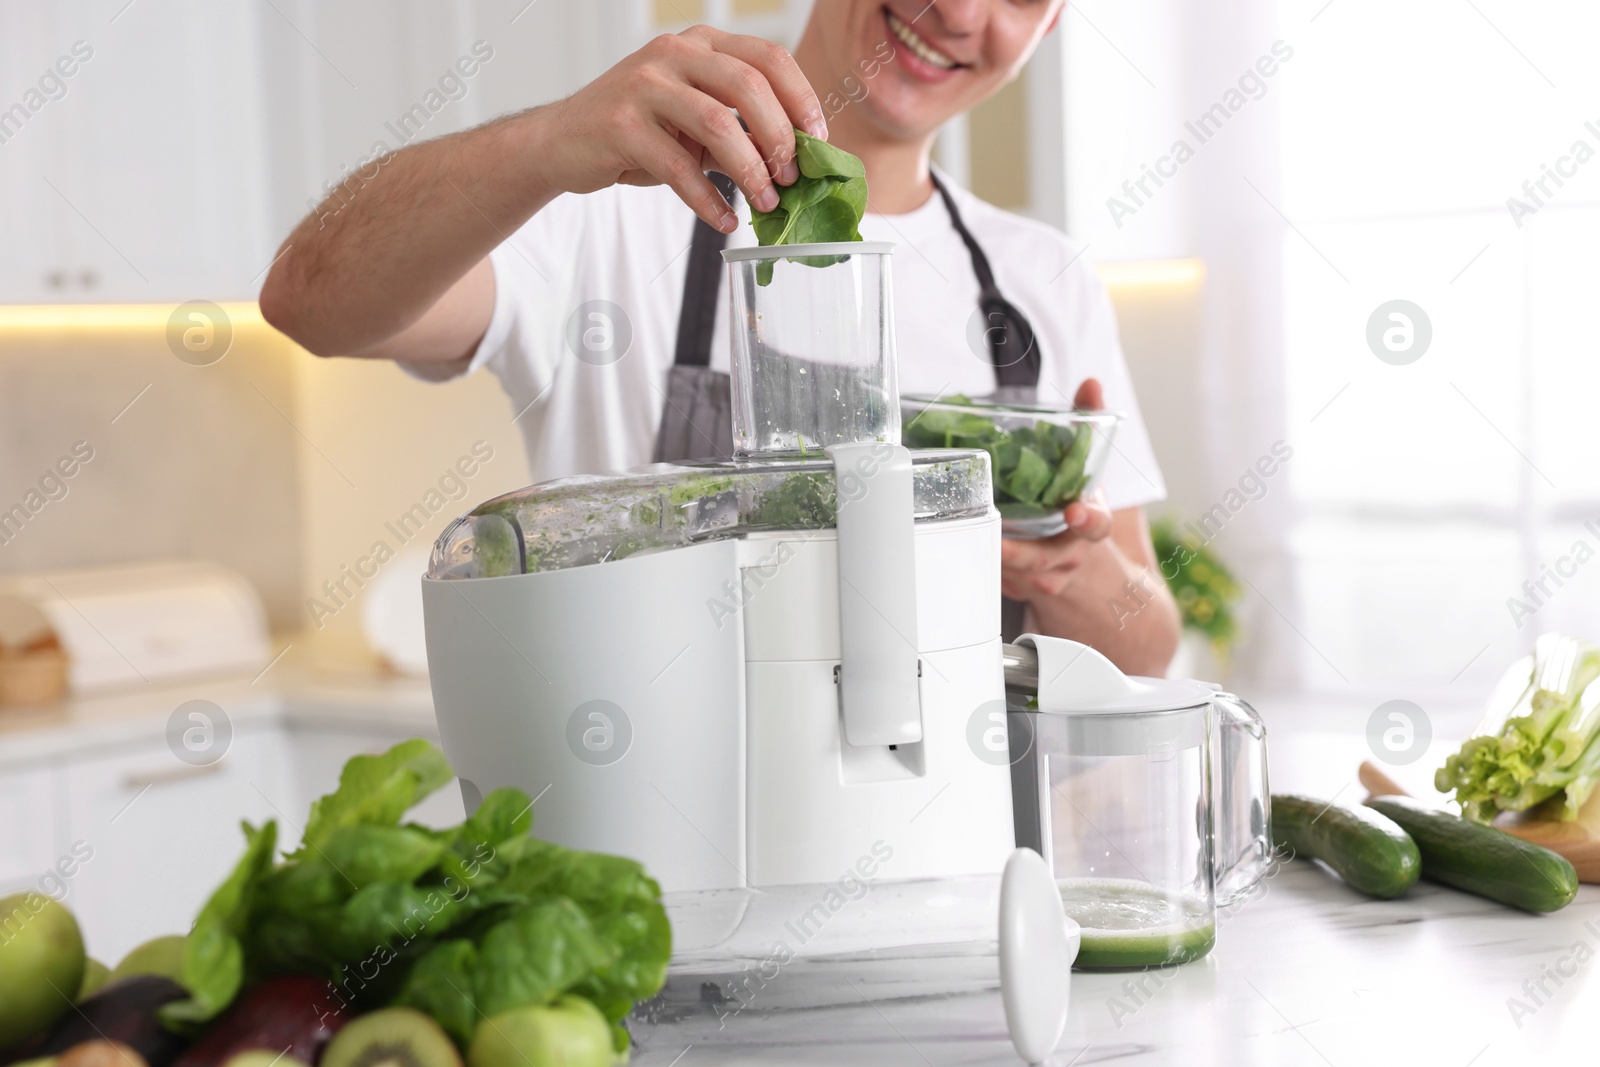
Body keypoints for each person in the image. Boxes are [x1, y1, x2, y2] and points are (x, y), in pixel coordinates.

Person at [260, 0, 1181, 675]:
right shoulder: (606, 210)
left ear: (1050, 25)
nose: (959, 10)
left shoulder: (1042, 282)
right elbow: (310, 300)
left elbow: (1145, 648)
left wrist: (1073, 568)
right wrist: (547, 140)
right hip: (660, 884)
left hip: (967, 879)